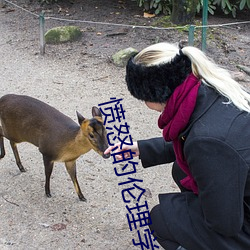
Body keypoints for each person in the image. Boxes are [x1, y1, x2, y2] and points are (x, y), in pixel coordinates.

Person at [104, 42, 250, 250]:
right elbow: (196, 139)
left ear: (155, 93)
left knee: (162, 218)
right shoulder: (210, 88)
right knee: (181, 170)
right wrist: (141, 148)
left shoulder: (207, 142)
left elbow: (225, 224)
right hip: (241, 187)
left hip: (241, 223)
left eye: (143, 98)